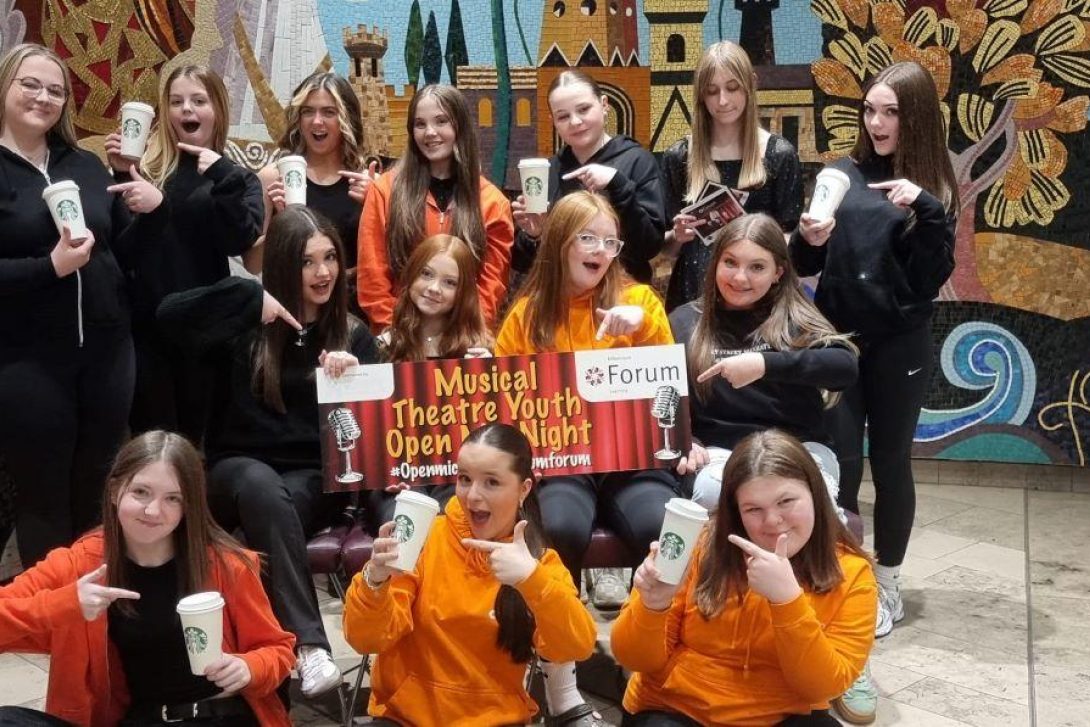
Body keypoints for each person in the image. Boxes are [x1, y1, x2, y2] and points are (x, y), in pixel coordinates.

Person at [158, 207, 380, 699]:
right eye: (306, 262)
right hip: (233, 470)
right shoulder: (245, 325)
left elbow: (372, 436)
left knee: (269, 510)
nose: (323, 273)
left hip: (308, 476)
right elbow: (166, 317)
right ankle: (309, 644)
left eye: (329, 258)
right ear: (282, 265)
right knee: (258, 484)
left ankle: (275, 659)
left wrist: (353, 384)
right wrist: (245, 298)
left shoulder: (355, 335)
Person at [791, 61, 958, 641]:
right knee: (837, 463)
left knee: (890, 462)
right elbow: (807, 263)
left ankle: (886, 579)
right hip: (838, 343)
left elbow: (932, 276)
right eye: (869, 109)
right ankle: (840, 573)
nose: (877, 121)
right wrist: (805, 239)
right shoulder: (840, 173)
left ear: (913, 117)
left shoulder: (931, 187)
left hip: (898, 344)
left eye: (890, 111)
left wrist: (926, 210)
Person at [497, 191, 676, 726]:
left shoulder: (641, 301)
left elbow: (668, 386)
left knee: (660, 527)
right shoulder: (529, 315)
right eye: (588, 238)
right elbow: (507, 402)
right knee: (565, 527)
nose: (601, 249)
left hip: (631, 460)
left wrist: (641, 331)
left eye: (610, 240)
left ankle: (654, 666)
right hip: (561, 461)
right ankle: (560, 680)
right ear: (559, 244)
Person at [0, 430, 296, 726]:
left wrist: (249, 668)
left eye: (172, 499)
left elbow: (278, 651)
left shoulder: (226, 563)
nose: (153, 510)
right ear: (115, 491)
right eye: (141, 492)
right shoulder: (79, 564)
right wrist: (62, 605)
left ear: (188, 506)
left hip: (220, 714)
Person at [0, 43, 165, 568]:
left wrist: (148, 207)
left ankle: (97, 618)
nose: (43, 98)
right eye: (30, 84)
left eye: (54, 90)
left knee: (98, 490)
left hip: (108, 353)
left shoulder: (87, 164)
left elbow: (125, 253)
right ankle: (56, 619)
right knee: (42, 494)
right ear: (4, 86)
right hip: (27, 360)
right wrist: (48, 267)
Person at [611, 429, 876, 726]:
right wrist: (653, 606)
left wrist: (788, 602)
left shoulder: (851, 573)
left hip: (782, 716)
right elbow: (634, 660)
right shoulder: (697, 544)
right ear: (736, 512)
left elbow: (824, 686)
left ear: (816, 495)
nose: (773, 521)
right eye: (753, 509)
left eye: (786, 501)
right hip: (677, 708)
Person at [342, 423, 597, 727]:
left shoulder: (538, 561)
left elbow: (576, 646)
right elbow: (365, 640)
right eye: (464, 479)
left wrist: (533, 580)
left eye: (491, 482)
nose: (472, 495)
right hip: (405, 718)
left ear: (524, 489)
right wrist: (374, 581)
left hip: (495, 719)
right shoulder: (424, 539)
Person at [104, 65, 264, 444]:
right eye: (176, 102)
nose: (187, 110)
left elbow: (239, 241)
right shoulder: (145, 171)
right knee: (151, 447)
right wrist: (122, 177)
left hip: (207, 335)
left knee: (198, 451)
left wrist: (224, 176)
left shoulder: (237, 178)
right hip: (147, 338)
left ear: (218, 110)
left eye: (198, 100)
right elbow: (122, 256)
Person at [668, 213, 857, 511]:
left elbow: (844, 367)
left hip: (796, 448)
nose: (739, 277)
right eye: (730, 262)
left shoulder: (795, 318)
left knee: (798, 501)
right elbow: (663, 394)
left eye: (757, 267)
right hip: (720, 451)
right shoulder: (685, 320)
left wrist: (764, 364)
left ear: (778, 272)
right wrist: (685, 438)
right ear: (715, 262)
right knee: (713, 491)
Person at [356, 84, 513, 332]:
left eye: (441, 121)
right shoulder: (385, 191)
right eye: (420, 124)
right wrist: (395, 332)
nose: (430, 132)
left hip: (462, 343)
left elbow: (491, 285)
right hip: (399, 340)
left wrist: (463, 336)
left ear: (460, 127)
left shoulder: (492, 202)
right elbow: (372, 276)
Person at [661, 41, 802, 312]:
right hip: (694, 292)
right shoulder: (679, 156)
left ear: (751, 84)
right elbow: (667, 249)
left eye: (732, 88)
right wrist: (678, 235)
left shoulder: (779, 154)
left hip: (758, 296)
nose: (723, 101)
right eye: (712, 91)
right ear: (701, 95)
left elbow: (790, 241)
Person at [367, 233, 493, 533]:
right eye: (426, 274)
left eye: (450, 283)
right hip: (395, 478)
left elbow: (493, 437)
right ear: (411, 276)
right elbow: (368, 432)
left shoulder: (479, 351)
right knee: (404, 526)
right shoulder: (383, 346)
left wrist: (489, 379)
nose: (435, 289)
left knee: (453, 522)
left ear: (463, 293)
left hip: (457, 476)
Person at [512, 70, 665, 284]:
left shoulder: (637, 161)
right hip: (563, 301)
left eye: (584, 109)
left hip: (622, 298)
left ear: (604, 104)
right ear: (553, 121)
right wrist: (536, 235)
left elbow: (648, 246)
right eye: (563, 116)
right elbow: (522, 263)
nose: (575, 122)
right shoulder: (547, 172)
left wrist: (618, 185)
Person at [249, 72, 377, 305]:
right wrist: (283, 222)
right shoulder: (273, 178)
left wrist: (376, 207)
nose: (316, 121)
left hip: (352, 314)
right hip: (290, 312)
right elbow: (252, 264)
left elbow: (393, 263)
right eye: (307, 111)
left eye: (329, 112)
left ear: (347, 119)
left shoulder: (369, 183)